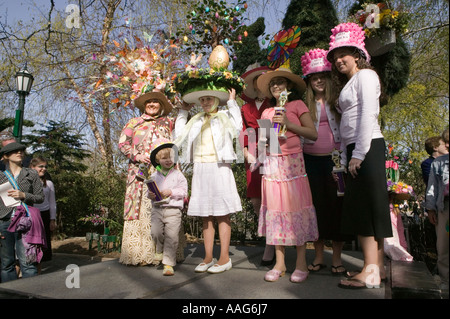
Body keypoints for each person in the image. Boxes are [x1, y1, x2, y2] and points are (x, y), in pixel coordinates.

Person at [327, 22, 392, 289]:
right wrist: (345, 156)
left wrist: (360, 153)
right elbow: (346, 126)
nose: (339, 60)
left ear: (357, 54)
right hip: (356, 149)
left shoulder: (366, 76)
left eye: (344, 54)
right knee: (370, 208)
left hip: (367, 147)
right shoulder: (351, 82)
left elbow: (368, 115)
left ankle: (371, 271)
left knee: (367, 209)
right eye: (334, 57)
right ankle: (373, 268)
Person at [256, 66, 319, 283]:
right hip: (273, 164)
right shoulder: (266, 112)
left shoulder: (297, 105)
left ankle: (301, 263)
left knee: (295, 209)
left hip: (294, 163)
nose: (276, 86)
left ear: (289, 86)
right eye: (273, 83)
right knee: (276, 211)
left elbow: (312, 133)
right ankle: (280, 263)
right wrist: (262, 143)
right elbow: (266, 142)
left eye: (280, 82)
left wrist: (289, 124)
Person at [174, 85, 243, 274]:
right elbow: (179, 134)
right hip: (201, 167)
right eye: (202, 100)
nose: (205, 103)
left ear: (217, 100)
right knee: (206, 215)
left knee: (222, 213)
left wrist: (232, 102)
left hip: (220, 166)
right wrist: (182, 111)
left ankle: (224, 257)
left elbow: (238, 127)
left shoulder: (226, 115)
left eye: (209, 99)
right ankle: (208, 256)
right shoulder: (195, 120)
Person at [118, 87, 187, 266]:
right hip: (140, 174)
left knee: (165, 207)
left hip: (164, 173)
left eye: (155, 101)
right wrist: (137, 155)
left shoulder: (168, 122)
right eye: (148, 102)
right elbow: (122, 144)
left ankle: (168, 254)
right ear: (144, 105)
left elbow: (177, 142)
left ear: (161, 104)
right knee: (142, 209)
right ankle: (140, 254)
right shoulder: (133, 122)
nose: (151, 104)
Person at [300, 48, 351, 275]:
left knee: (337, 209)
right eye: (314, 78)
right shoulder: (304, 106)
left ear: (328, 79)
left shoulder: (338, 101)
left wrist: (344, 160)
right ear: (309, 82)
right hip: (310, 162)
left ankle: (337, 258)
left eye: (322, 77)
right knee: (316, 209)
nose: (319, 81)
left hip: (335, 162)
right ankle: (319, 257)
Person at [240, 63, 275, 266]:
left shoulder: (276, 102)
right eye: (256, 82)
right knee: (255, 200)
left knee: (273, 197)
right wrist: (245, 152)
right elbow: (242, 132)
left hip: (273, 149)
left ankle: (272, 243)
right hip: (252, 152)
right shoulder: (245, 108)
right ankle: (267, 234)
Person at [0, 142, 45, 282]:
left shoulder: (31, 173)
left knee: (28, 264)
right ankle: (11, 294)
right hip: (4, 222)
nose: (19, 153)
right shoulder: (1, 176)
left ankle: (30, 294)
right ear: (6, 156)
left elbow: (40, 197)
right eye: (15, 151)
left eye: (21, 151)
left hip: (26, 222)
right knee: (6, 264)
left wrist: (24, 195)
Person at [147, 138, 188, 276]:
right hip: (157, 209)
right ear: (158, 160)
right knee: (156, 232)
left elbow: (183, 192)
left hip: (173, 210)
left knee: (172, 237)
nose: (168, 160)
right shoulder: (154, 176)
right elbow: (149, 192)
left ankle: (168, 264)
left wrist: (171, 192)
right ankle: (158, 249)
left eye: (171, 157)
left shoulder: (178, 175)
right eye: (164, 158)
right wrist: (151, 195)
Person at [425, 127, 449, 291]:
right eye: (446, 141)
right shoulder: (439, 163)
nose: (447, 144)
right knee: (443, 246)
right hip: (445, 208)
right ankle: (446, 280)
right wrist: (431, 209)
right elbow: (432, 188)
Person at [29, 157, 57, 265]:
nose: (44, 169)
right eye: (40, 166)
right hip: (31, 215)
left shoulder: (49, 183)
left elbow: (52, 202)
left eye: (45, 166)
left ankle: (39, 273)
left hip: (44, 215)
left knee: (43, 246)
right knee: (31, 245)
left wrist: (52, 219)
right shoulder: (26, 182)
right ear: (32, 167)